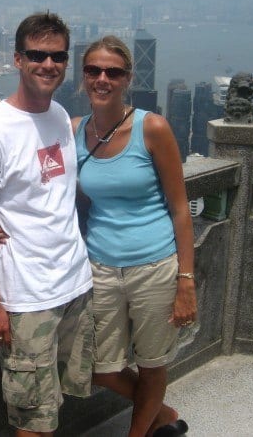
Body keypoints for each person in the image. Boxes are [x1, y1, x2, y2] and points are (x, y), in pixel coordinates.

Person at [0, 12, 94, 437]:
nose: (47, 65)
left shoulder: (59, 117)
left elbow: (54, 193)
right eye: (37, 55)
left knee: (58, 401)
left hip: (74, 282)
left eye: (57, 57)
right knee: (32, 418)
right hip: (27, 297)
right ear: (17, 59)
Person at [73, 35, 197, 437]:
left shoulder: (152, 128)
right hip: (101, 267)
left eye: (113, 72)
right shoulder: (75, 132)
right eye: (94, 70)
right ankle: (161, 414)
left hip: (155, 266)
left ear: (128, 78)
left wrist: (186, 280)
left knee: (152, 361)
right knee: (102, 368)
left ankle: (138, 433)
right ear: (83, 76)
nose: (102, 78)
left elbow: (180, 208)